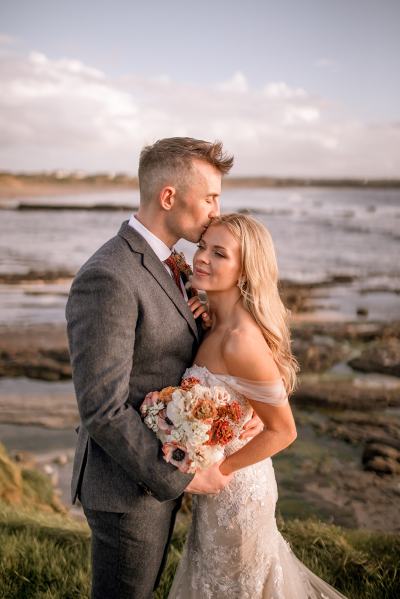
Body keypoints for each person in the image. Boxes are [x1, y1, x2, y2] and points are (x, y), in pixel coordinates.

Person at [66, 138, 263, 599]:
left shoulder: (171, 266)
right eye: (211, 196)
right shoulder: (109, 275)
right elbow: (103, 409)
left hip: (153, 478)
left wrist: (237, 409)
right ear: (169, 197)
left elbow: (173, 361)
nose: (218, 210)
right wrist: (185, 476)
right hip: (127, 489)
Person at [168, 213, 348, 599]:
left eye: (220, 254)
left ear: (245, 271)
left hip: (237, 493)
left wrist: (221, 469)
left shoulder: (239, 339)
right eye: (202, 246)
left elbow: (284, 430)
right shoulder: (215, 322)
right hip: (218, 491)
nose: (201, 258)